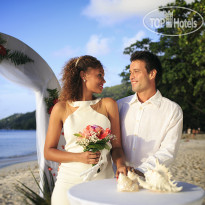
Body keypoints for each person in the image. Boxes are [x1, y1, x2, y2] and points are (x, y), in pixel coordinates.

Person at [44, 55, 126, 205]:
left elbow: (117, 147)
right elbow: (48, 151)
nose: (104, 80)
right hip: (68, 182)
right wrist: (80, 157)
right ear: (83, 75)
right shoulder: (61, 108)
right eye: (99, 75)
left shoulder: (108, 104)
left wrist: (120, 165)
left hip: (102, 183)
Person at [117, 51, 183, 177]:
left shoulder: (173, 110)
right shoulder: (119, 106)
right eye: (130, 72)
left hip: (152, 180)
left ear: (152, 74)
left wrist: (140, 171)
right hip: (118, 179)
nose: (131, 77)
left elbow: (168, 151)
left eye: (136, 71)